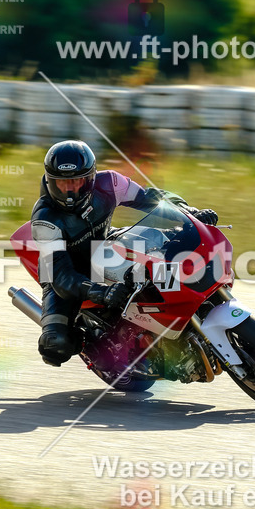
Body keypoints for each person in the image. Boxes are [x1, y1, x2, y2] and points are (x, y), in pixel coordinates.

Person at [31, 140, 218, 366]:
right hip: (66, 271)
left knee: (163, 247)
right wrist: (100, 292)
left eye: (76, 182)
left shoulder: (110, 182)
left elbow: (151, 198)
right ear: (50, 181)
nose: (70, 190)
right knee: (55, 345)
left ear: (90, 179)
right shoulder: (45, 219)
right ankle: (97, 347)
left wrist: (190, 213)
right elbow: (61, 276)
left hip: (104, 246)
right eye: (62, 184)